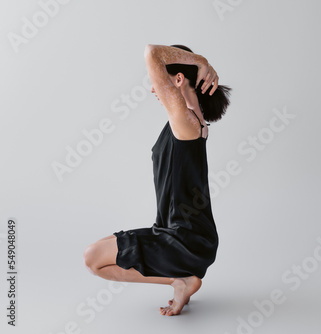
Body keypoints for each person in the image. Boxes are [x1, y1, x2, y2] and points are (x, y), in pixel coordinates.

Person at [83, 44, 231, 316]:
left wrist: (200, 61)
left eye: (158, 81)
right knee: (100, 252)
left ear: (177, 80)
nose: (153, 88)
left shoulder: (185, 121)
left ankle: (181, 280)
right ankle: (182, 280)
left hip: (183, 240)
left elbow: (152, 52)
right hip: (185, 236)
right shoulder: (190, 121)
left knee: (92, 259)